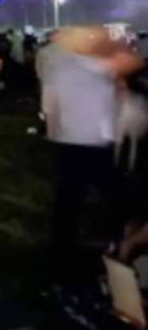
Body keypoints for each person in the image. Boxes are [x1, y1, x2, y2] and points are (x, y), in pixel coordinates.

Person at [38, 26, 144, 295]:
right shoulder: (79, 64)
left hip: (84, 142)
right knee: (84, 202)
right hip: (82, 144)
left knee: (80, 202)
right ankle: (84, 257)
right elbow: (131, 62)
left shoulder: (65, 64)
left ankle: (89, 251)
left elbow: (52, 101)